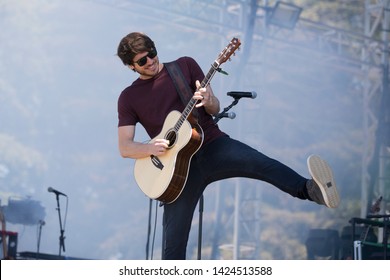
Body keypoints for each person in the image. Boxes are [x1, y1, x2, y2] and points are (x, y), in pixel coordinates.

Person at [116, 32, 340, 260]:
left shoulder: (184, 65)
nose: (151, 61)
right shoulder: (129, 97)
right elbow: (125, 147)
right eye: (143, 61)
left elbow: (213, 108)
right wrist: (151, 148)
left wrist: (209, 100)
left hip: (212, 145)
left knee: (262, 163)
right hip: (176, 172)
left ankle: (312, 190)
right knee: (174, 246)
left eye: (152, 54)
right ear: (131, 66)